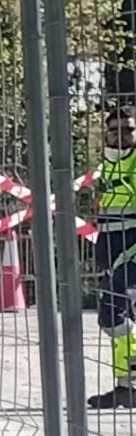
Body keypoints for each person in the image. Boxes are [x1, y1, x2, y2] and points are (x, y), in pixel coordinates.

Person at [93, 100, 136, 409]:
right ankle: (126, 386)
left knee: (117, 315)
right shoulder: (110, 162)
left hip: (131, 248)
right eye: (113, 130)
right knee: (115, 318)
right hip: (111, 245)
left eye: (128, 130)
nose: (120, 135)